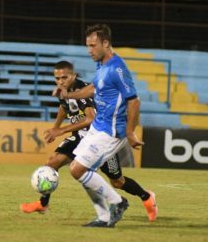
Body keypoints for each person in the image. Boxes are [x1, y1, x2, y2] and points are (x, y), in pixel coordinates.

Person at [20, 61, 157, 226]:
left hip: (98, 138)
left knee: (117, 182)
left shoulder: (83, 91)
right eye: (57, 78)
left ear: (74, 75)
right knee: (52, 162)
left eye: (65, 77)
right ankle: (43, 203)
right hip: (79, 137)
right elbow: (64, 107)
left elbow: (90, 119)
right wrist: (55, 127)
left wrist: (61, 130)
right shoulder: (64, 92)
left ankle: (146, 197)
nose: (61, 81)